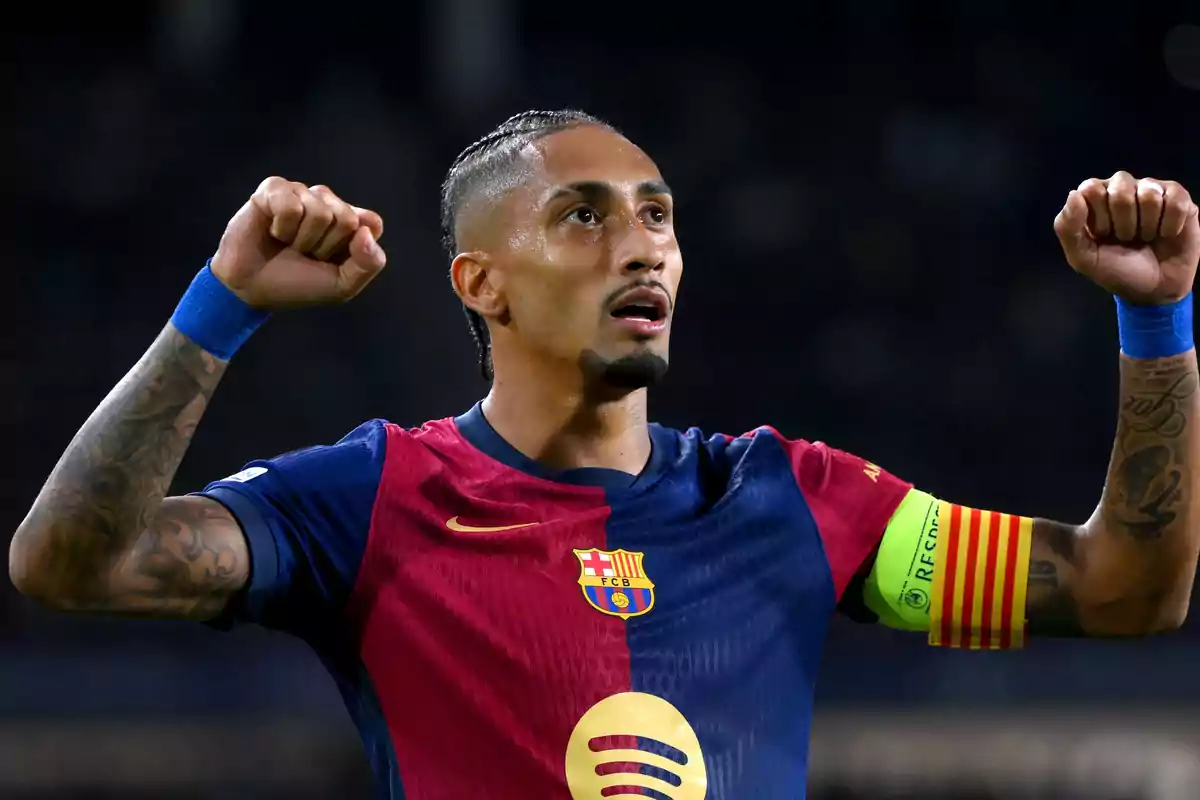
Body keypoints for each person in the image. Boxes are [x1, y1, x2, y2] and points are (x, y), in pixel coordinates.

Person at [9, 109, 1200, 800]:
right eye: (584, 214)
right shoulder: (372, 497)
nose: (642, 245)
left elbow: (1126, 588)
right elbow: (70, 562)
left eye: (659, 213)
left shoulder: (793, 500)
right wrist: (221, 305)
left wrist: (1156, 324)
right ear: (480, 283)